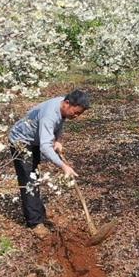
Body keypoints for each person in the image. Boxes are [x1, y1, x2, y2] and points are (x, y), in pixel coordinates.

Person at [9, 89, 90, 237]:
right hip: (20, 141)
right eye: (76, 112)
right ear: (67, 103)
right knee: (29, 181)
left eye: (79, 114)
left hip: (33, 140)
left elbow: (61, 120)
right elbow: (45, 146)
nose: (76, 116)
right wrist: (63, 166)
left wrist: (58, 139)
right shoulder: (49, 116)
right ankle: (34, 223)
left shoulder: (62, 104)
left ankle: (38, 214)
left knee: (35, 176)